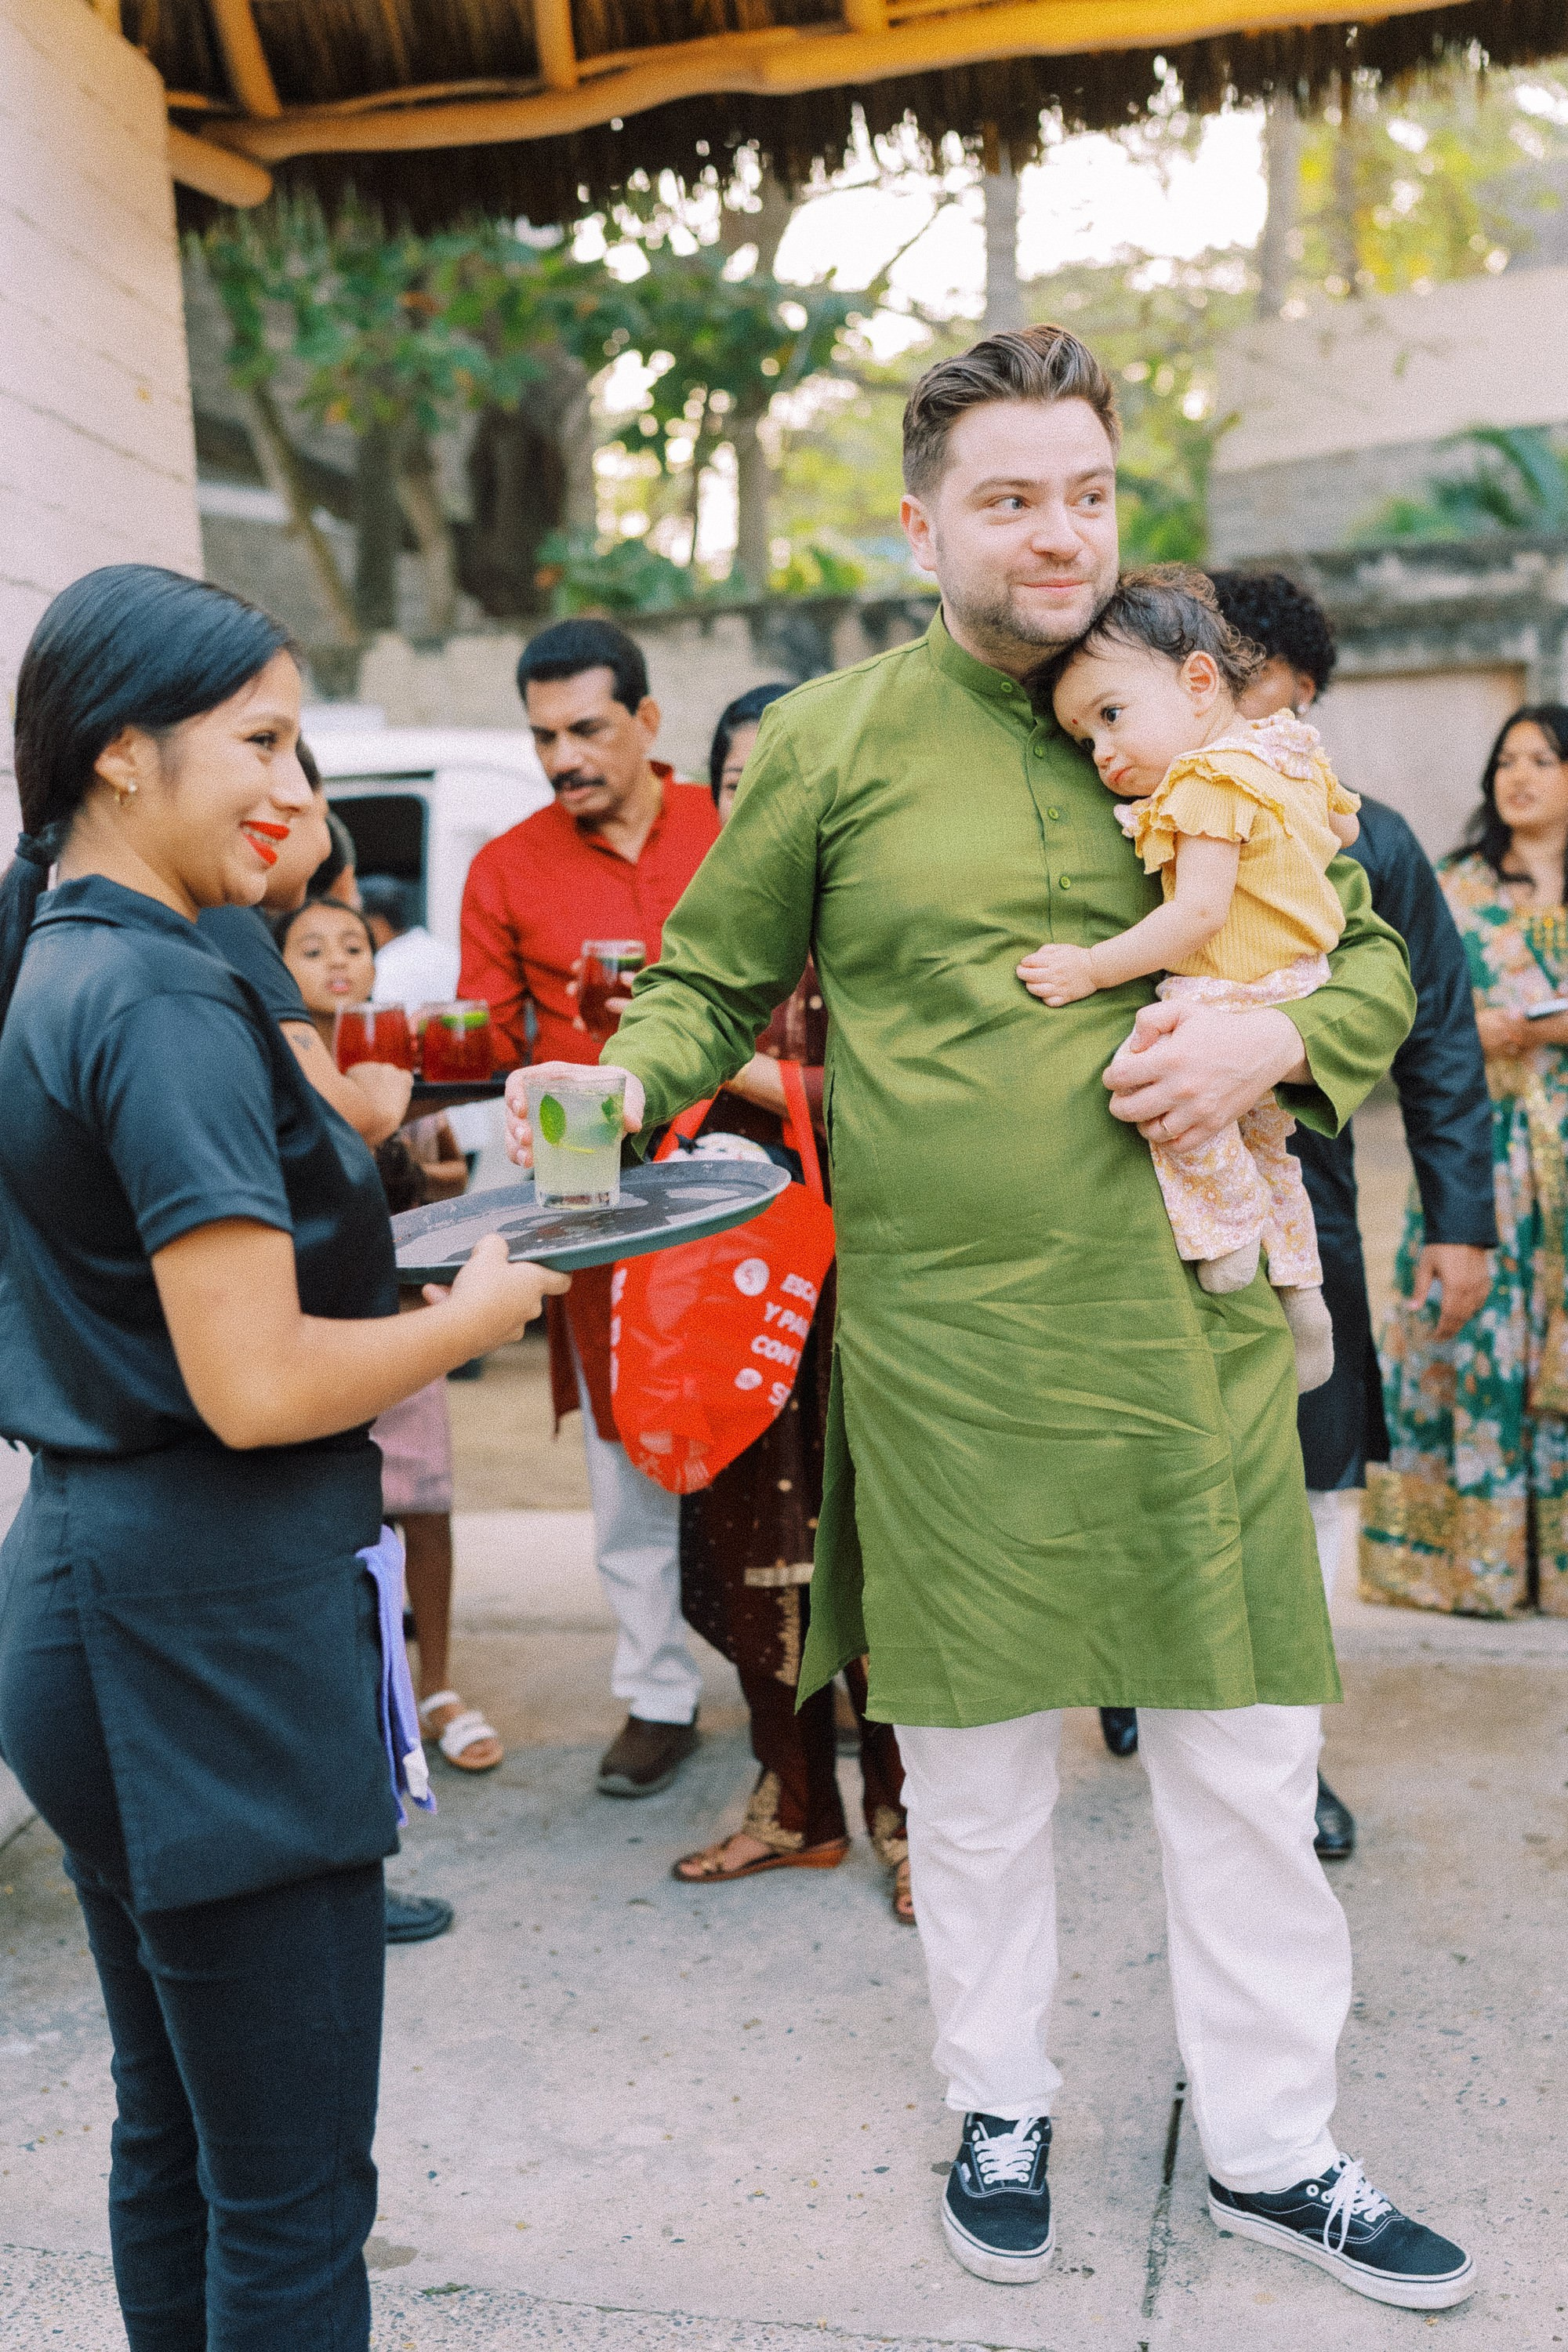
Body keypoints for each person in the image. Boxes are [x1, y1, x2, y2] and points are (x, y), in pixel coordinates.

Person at [509, 327, 1475, 2312]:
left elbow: (1374, 956)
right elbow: (704, 982)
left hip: (1194, 1342)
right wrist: (608, 1084)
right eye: (1010, 498)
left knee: (1242, 1758)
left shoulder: (1194, 700)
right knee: (968, 1776)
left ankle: (1273, 2148)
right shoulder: (834, 741)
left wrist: (1273, 1040)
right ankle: (998, 2103)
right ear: (919, 521)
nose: (1058, 535)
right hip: (950, 1358)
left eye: (1087, 493)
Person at [0, 567, 567, 2350]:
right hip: (209, 1631)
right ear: (121, 752)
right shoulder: (162, 998)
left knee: (181, 2136)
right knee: (295, 2198)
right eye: (257, 741)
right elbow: (252, 1383)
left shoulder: (72, 953)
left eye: (297, 746)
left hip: (105, 1594)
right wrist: (480, 1311)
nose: (290, 789)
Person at [1208, 568, 1496, 1857]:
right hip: (1139, 1207)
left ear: (1303, 692)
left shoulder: (1367, 840)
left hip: (1308, 1214)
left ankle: (1291, 1758)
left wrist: (1459, 1221)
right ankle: (1139, 1680)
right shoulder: (1131, 817)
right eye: (1200, 674)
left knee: (1314, 1483)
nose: (1219, 700)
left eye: (1247, 677)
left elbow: (1440, 1039)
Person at [460, 617, 720, 1798]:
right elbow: (485, 1040)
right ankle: (657, 1691)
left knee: (784, 1425)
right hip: (596, 1193)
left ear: (647, 722)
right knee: (626, 1450)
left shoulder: (728, 826)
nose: (562, 757)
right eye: (542, 737)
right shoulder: (507, 868)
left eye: (587, 729)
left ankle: (804, 1672)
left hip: (754, 1172)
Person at [200, 758, 456, 1943]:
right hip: (299, 1341)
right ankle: (334, 1880)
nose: (296, 807)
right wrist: (386, 1092)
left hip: (283, 1337)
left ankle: (323, 1870)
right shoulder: (239, 938)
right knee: (324, 1613)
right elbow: (348, 1115)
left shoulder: (203, 937)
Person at [670, 685, 912, 1922]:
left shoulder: (882, 915)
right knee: (750, 1544)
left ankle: (913, 1819)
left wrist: (745, 1069)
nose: (756, 801)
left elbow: (906, 1095)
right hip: (733, 1285)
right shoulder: (705, 936)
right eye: (735, 780)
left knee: (887, 1545)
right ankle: (795, 1806)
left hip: (872, 1281)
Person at [1027, 566, 1359, 1392]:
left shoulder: (1205, 782)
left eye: (1111, 716)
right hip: (1300, 980)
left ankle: (1229, 1233)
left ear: (1200, 682)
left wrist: (1090, 967)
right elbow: (1344, 828)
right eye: (1085, 740)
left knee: (1156, 1084)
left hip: (1229, 986)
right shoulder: (1285, 748)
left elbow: (1197, 915)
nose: (1103, 753)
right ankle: (1301, 1290)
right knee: (1270, 1146)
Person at [277, 895, 501, 1773]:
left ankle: (436, 1685)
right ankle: (361, 1692)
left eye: (353, 946)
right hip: (322, 1327)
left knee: (426, 1509)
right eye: (311, 949)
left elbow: (447, 1187)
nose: (337, 961)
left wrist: (422, 1161)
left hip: (406, 1320)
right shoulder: (274, 1069)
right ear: (275, 969)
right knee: (337, 1519)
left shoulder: (404, 1067)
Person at [1363, 704, 1568, 1617]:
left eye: (1541, 760)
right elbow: (1397, 1002)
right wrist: (1469, 1029)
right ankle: (1467, 1563)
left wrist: (1541, 1029)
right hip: (1476, 1152)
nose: (1517, 776)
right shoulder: (1449, 885)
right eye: (1504, 760)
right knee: (1470, 1341)